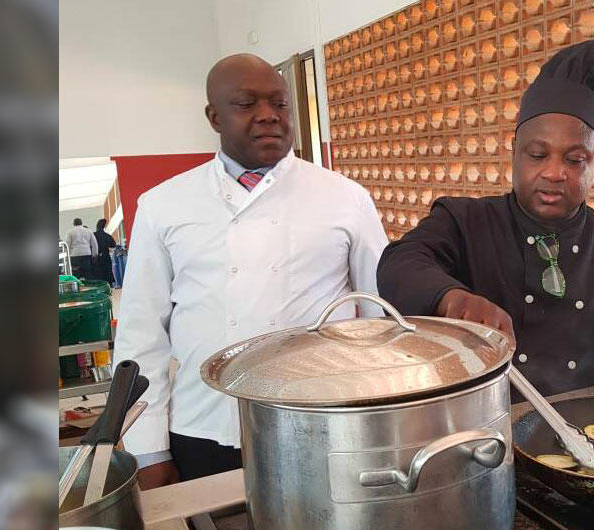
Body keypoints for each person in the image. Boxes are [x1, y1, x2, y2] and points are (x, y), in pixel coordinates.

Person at [114, 53, 388, 487]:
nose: (268, 116)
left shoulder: (344, 197)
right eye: (247, 104)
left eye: (279, 104)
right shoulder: (163, 205)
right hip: (204, 427)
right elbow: (141, 335)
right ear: (214, 116)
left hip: (327, 422)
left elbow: (379, 316)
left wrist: (381, 419)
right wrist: (149, 451)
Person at [377, 40, 594, 399]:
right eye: (537, 155)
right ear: (514, 153)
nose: (554, 173)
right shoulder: (465, 222)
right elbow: (399, 263)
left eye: (575, 159)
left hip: (589, 437)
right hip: (482, 432)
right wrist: (454, 299)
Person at [93, 218, 116, 284]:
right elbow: (113, 245)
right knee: (108, 272)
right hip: (106, 256)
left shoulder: (93, 235)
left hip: (97, 257)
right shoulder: (107, 236)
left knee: (99, 273)